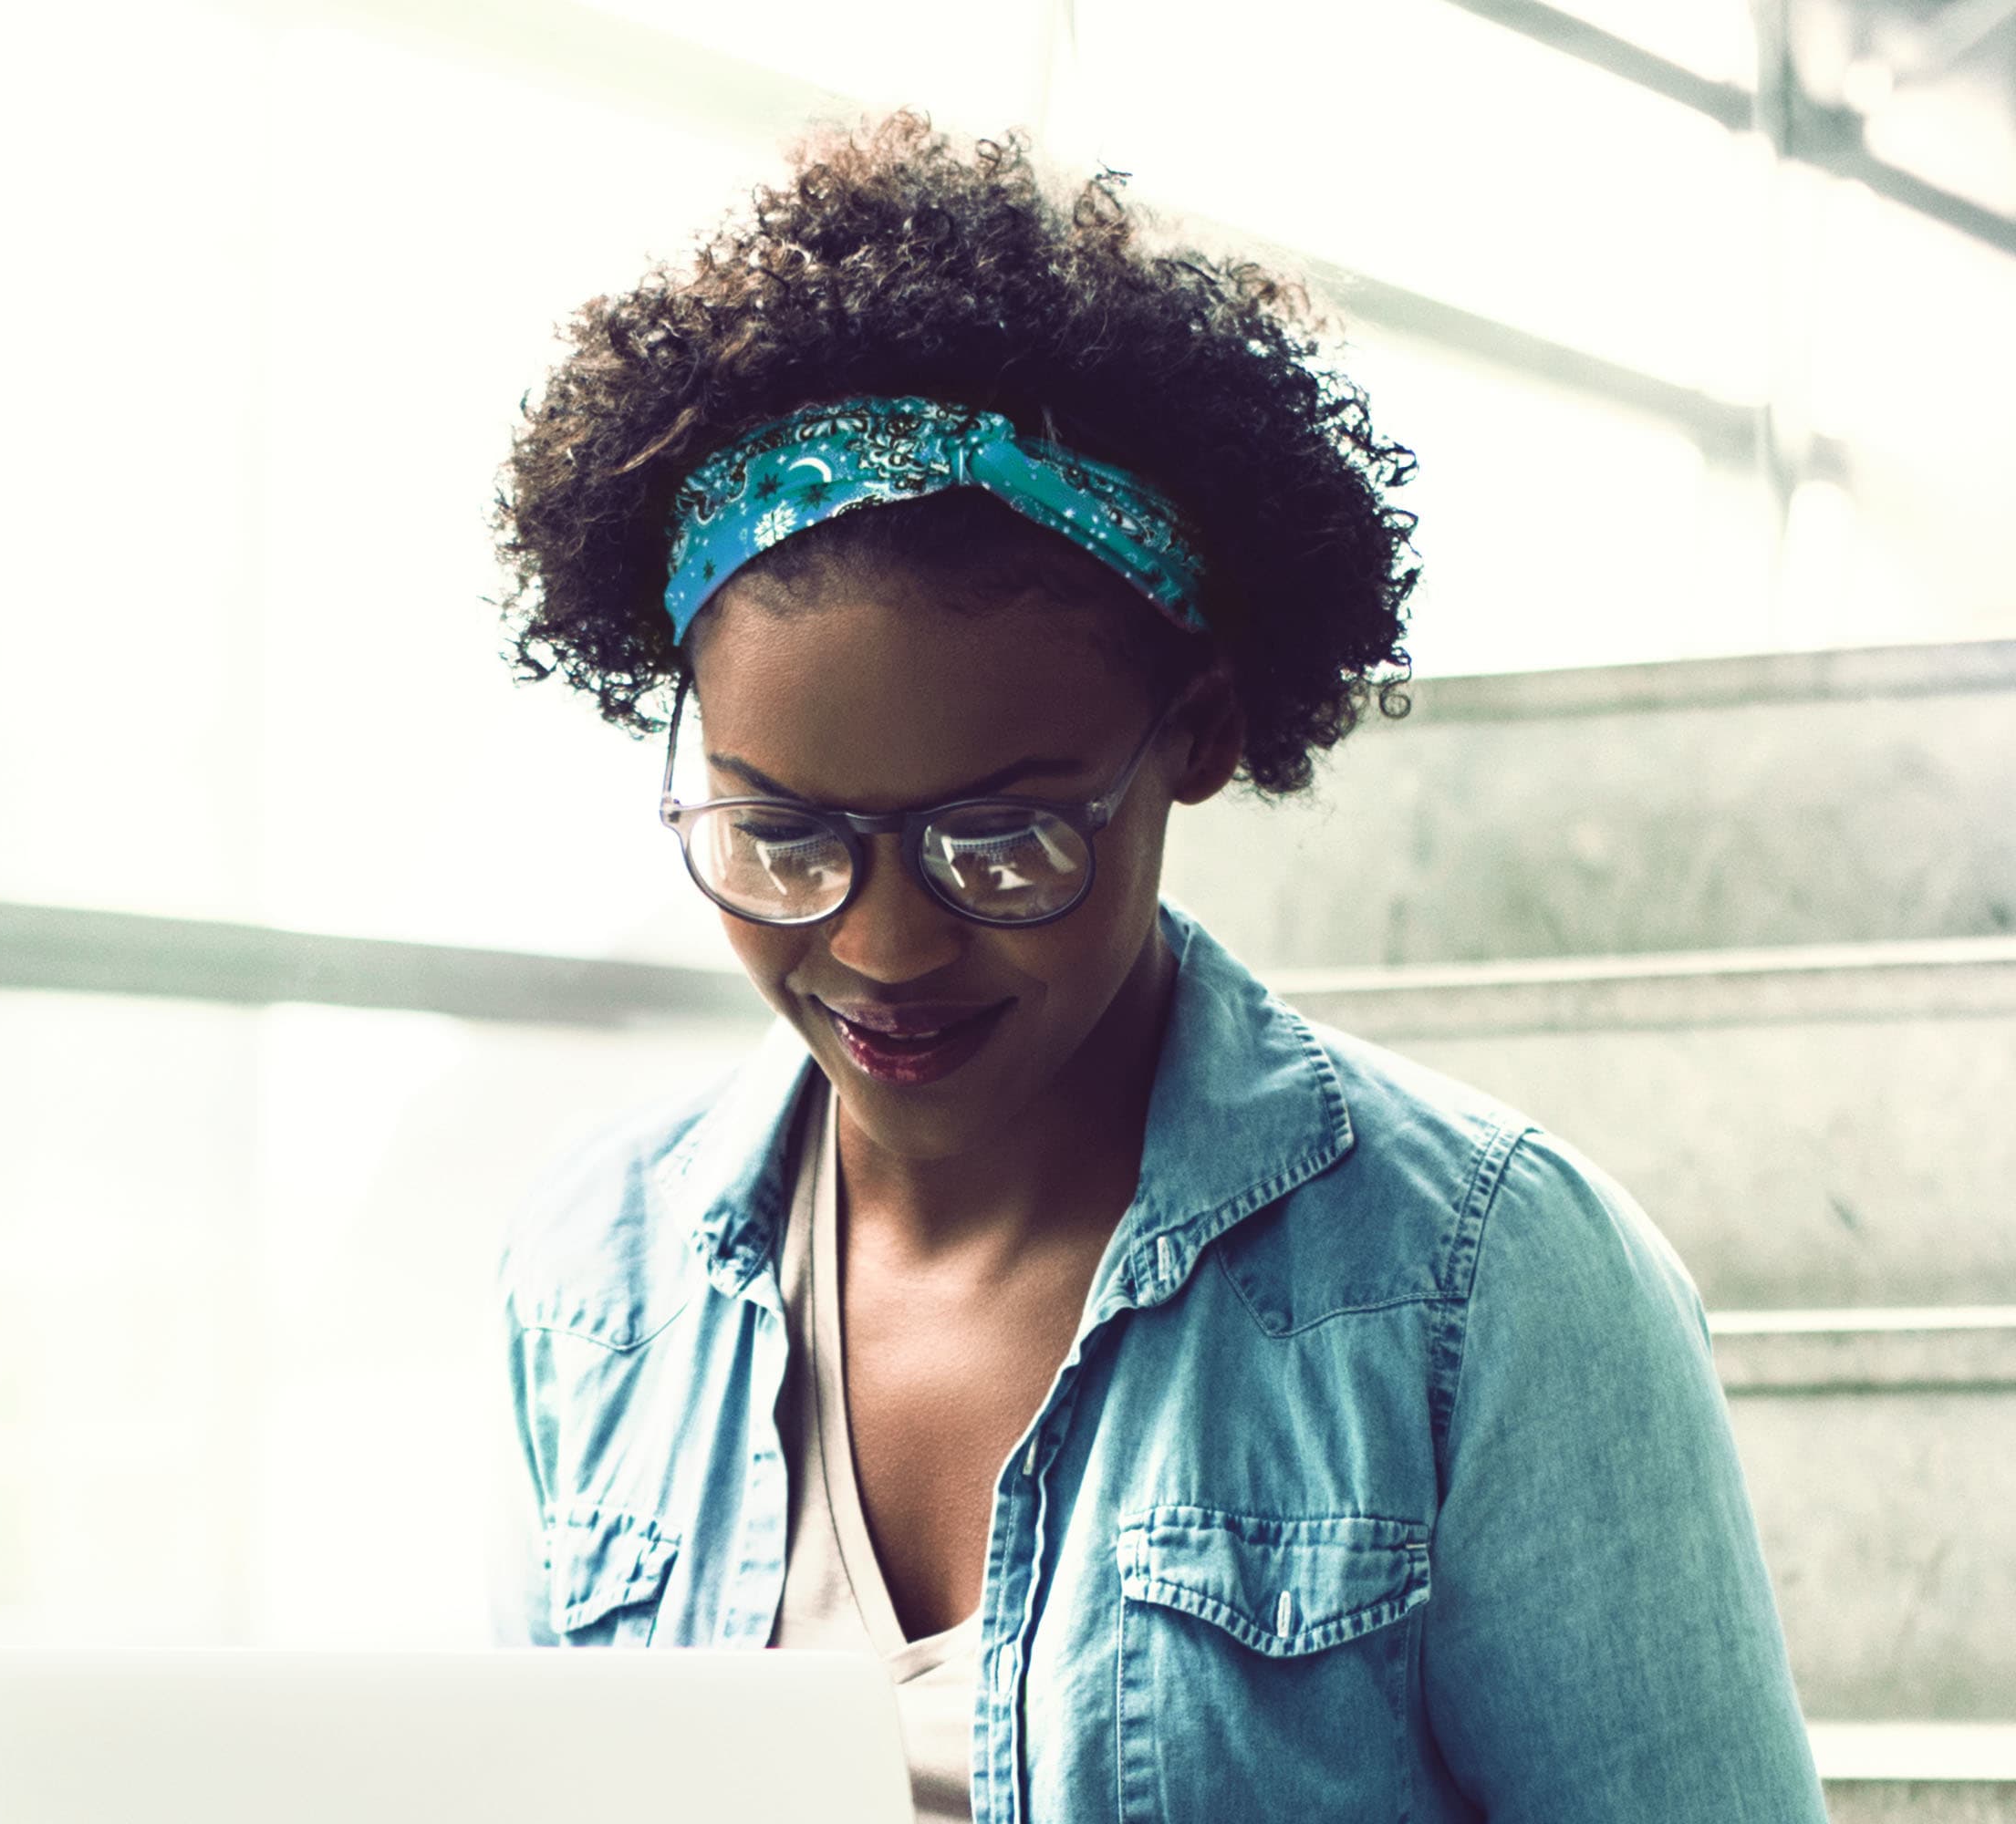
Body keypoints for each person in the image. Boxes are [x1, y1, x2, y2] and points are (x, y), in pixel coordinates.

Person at [484, 117, 1824, 1823]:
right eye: (785, 839)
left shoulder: (1482, 1284)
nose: (885, 946)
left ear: (1190, 741)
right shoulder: (595, 1275)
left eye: (1003, 846)